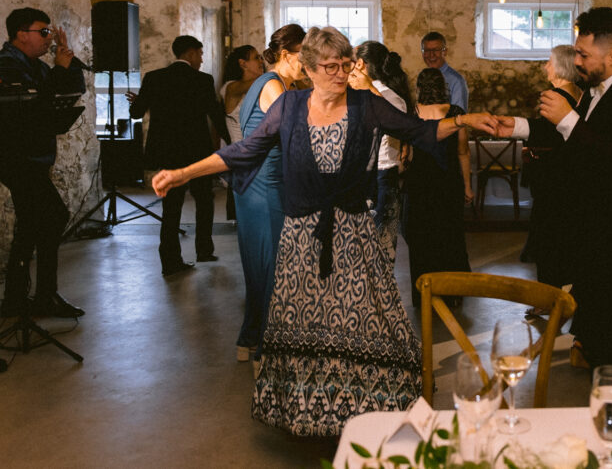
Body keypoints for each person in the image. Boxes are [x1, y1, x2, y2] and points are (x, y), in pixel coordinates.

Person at [150, 26, 497, 436]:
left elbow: (420, 131)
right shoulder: (289, 107)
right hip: (301, 237)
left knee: (363, 321)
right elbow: (242, 151)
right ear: (310, 69)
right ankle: (308, 414)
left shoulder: (367, 105)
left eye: (345, 64)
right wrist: (183, 172)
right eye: (330, 66)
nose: (339, 73)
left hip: (354, 235)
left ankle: (364, 413)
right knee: (302, 325)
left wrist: (466, 119)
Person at [497, 8, 612, 404]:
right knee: (598, 343)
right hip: (597, 239)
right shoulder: (600, 88)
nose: (577, 61)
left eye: (583, 54)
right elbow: (576, 138)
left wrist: (570, 120)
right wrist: (518, 127)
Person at [0, 8, 86, 318]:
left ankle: (19, 297)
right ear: (22, 34)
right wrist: (58, 70)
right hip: (17, 158)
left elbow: (71, 91)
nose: (48, 39)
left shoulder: (34, 65)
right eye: (43, 32)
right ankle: (38, 296)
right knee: (52, 216)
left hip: (34, 158)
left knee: (32, 225)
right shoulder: (8, 65)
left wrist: (67, 60)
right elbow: (34, 107)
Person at [232, 24, 305, 364]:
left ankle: (248, 340)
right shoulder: (275, 88)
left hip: (256, 183)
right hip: (264, 186)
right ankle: (266, 349)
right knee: (272, 268)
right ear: (288, 55)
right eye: (305, 55)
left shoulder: (272, 83)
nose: (310, 62)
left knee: (261, 268)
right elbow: (298, 138)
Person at [129, 35, 228, 276]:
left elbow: (135, 113)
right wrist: (231, 140)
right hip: (197, 151)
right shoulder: (202, 80)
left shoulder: (154, 78)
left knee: (171, 207)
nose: (202, 59)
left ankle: (170, 262)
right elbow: (214, 113)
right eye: (201, 54)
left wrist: (140, 100)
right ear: (191, 53)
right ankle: (204, 250)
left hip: (167, 151)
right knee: (204, 200)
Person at [403, 68, 473, 302]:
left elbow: (406, 153)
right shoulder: (455, 113)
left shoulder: (411, 114)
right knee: (450, 235)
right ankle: (453, 292)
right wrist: (467, 186)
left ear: (419, 88)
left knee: (421, 238)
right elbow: (463, 152)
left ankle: (424, 294)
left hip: (420, 184)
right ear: (443, 87)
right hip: (448, 182)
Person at [520, 44, 582, 290]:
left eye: (549, 61)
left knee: (548, 238)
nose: (545, 66)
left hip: (554, 176)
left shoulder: (556, 97)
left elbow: (546, 135)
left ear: (560, 68)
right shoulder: (579, 94)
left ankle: (548, 297)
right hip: (568, 176)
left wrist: (528, 141)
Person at [350, 40, 413, 265]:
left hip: (382, 177)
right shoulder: (361, 97)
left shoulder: (391, 98)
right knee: (368, 248)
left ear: (361, 64)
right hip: (367, 177)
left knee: (380, 249)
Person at [220, 45, 264, 222]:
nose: (261, 61)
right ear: (242, 63)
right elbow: (248, 85)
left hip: (258, 153)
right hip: (242, 155)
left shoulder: (262, 86)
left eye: (261, 57)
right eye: (256, 58)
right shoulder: (231, 87)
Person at [421, 31, 468, 111]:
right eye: (427, 50)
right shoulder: (424, 77)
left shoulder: (456, 81)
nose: (431, 55)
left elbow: (459, 115)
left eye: (436, 50)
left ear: (445, 52)